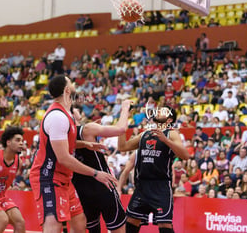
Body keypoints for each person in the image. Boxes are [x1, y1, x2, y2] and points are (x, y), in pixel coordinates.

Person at [29, 75, 117, 233]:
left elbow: (60, 143)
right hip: (48, 177)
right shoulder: (57, 117)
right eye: (71, 82)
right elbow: (63, 158)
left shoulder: (67, 114)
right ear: (67, 90)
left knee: (79, 222)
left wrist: (84, 144)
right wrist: (96, 173)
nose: (75, 84)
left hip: (64, 178)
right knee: (53, 226)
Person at [117, 106, 190, 233]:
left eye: (163, 111)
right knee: (131, 222)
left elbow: (185, 155)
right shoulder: (145, 133)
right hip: (142, 186)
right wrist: (123, 120)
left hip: (160, 185)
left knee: (165, 225)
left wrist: (166, 140)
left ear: (169, 120)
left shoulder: (172, 133)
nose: (159, 111)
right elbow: (122, 147)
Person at [72, 99, 132, 233]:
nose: (78, 110)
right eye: (75, 108)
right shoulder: (87, 129)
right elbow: (121, 129)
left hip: (81, 191)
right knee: (118, 229)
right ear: (72, 113)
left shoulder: (61, 137)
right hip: (103, 185)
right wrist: (125, 108)